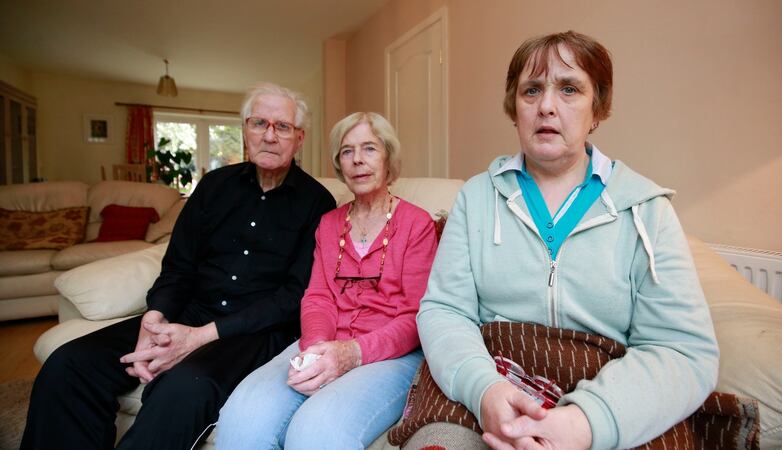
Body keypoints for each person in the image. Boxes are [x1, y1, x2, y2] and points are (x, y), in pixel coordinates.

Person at [415, 31, 719, 450]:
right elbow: (444, 310)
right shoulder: (476, 197)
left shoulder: (648, 209)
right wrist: (484, 390)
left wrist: (583, 425)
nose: (546, 106)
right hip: (490, 381)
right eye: (532, 90)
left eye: (569, 89)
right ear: (514, 107)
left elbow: (683, 351)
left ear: (598, 109)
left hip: (609, 395)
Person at [21, 83, 336, 450]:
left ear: (298, 138)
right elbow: (178, 266)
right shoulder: (212, 187)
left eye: (282, 127)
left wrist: (200, 337)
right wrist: (154, 317)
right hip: (189, 312)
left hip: (253, 332)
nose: (269, 135)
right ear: (244, 131)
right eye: (259, 123)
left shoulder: (318, 203)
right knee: (69, 364)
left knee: (184, 388)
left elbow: (294, 297)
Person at [215, 112, 438, 449]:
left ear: (388, 157)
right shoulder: (329, 223)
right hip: (325, 342)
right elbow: (318, 297)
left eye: (369, 149)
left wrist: (351, 353)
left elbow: (414, 316)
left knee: (316, 432)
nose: (358, 160)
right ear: (339, 163)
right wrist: (318, 348)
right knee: (241, 417)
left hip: (390, 355)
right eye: (347, 152)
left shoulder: (416, 224)